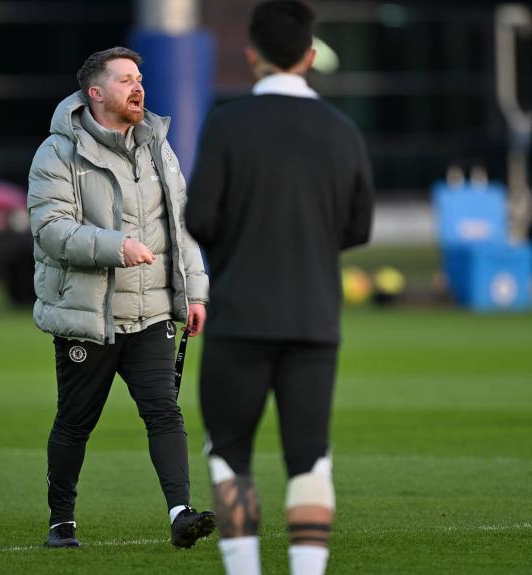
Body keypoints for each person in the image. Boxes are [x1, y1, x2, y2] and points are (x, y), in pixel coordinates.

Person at [185, 2, 374, 574]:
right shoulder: (341, 130)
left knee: (230, 457)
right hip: (314, 320)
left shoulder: (227, 123)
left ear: (252, 54)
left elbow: (200, 219)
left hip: (240, 318)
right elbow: (358, 228)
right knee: (310, 460)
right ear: (310, 56)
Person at [27, 46, 216, 549]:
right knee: (75, 423)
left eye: (140, 78)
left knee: (164, 412)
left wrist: (195, 294)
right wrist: (116, 247)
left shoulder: (158, 146)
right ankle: (61, 522)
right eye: (125, 80)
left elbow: (182, 226)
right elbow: (50, 229)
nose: (138, 87)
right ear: (95, 92)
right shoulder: (57, 153)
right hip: (89, 317)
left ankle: (181, 514)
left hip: (152, 313)